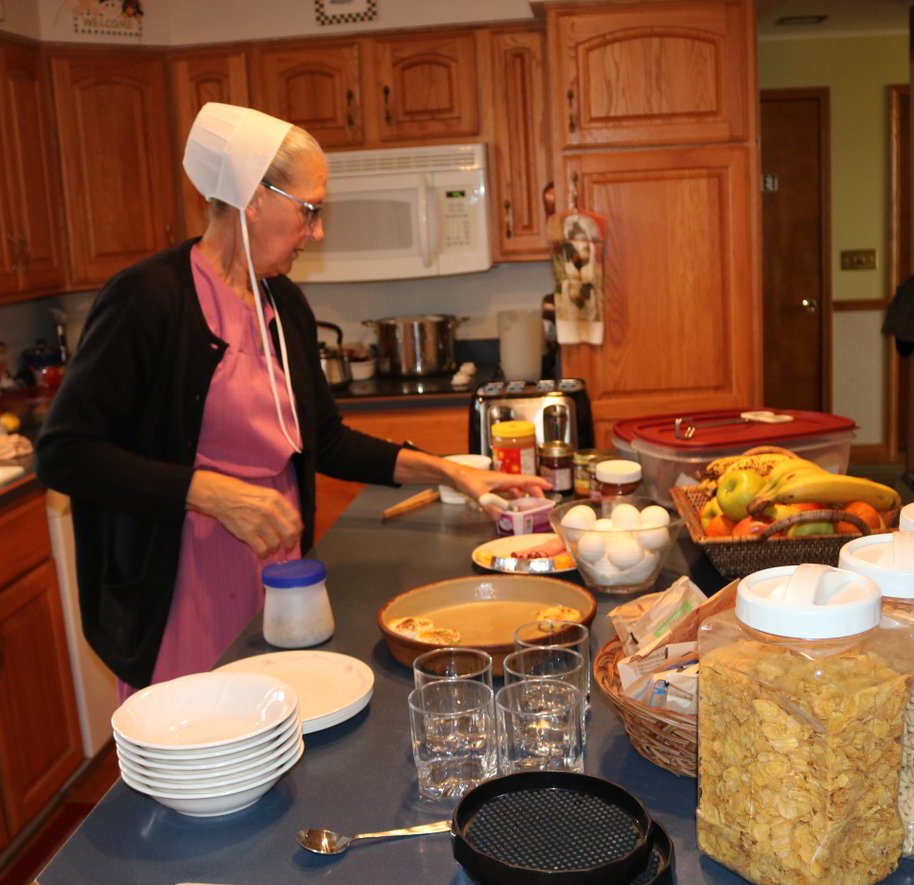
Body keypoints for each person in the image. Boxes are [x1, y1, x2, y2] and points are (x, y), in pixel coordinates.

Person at [36, 104, 548, 694]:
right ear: (254, 197)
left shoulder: (283, 306)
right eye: (310, 211)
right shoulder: (147, 301)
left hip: (279, 581)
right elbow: (63, 453)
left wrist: (452, 474)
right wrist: (207, 493)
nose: (318, 231)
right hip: (184, 589)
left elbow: (324, 440)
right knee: (204, 751)